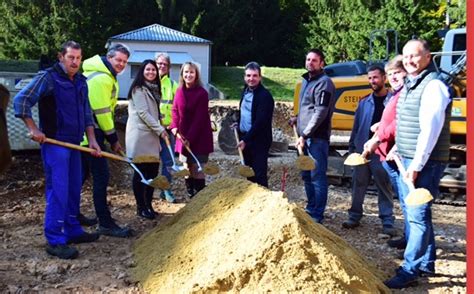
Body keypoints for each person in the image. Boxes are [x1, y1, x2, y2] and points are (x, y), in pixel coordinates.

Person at [13, 41, 101, 259]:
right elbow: (21, 100)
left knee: (73, 188)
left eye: (79, 58)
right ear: (61, 57)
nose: (75, 62)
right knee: (58, 190)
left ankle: (72, 229)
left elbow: (87, 112)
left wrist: (92, 140)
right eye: (71, 57)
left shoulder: (81, 81)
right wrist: (33, 128)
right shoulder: (48, 78)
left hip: (75, 143)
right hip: (55, 144)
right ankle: (54, 239)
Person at [384, 39, 451, 289]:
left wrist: (416, 165)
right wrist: (398, 147)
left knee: (417, 217)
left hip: (425, 161)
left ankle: (410, 269)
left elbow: (429, 130)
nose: (410, 60)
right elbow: (407, 124)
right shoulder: (413, 84)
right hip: (411, 156)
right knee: (420, 214)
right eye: (406, 56)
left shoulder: (433, 86)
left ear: (427, 57)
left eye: (415, 56)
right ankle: (426, 263)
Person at [80, 43, 132, 237]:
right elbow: (102, 114)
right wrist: (113, 139)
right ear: (109, 58)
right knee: (101, 176)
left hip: (85, 135)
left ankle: (73, 214)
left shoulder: (102, 74)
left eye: (124, 62)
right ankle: (105, 222)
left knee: (80, 176)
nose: (121, 64)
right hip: (90, 136)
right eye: (118, 60)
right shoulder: (102, 79)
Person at [341, 65, 396, 236]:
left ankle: (387, 221)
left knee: (384, 186)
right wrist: (352, 148)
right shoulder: (364, 102)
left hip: (382, 152)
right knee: (358, 184)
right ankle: (354, 216)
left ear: (384, 78)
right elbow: (356, 127)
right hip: (362, 151)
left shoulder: (393, 101)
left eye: (376, 77)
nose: (372, 81)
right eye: (370, 78)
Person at [363, 56, 408, 247]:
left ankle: (413, 245)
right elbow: (392, 120)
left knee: (407, 201)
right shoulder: (399, 94)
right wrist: (380, 127)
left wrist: (379, 137)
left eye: (397, 72)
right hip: (388, 151)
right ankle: (409, 239)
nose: (393, 77)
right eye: (391, 74)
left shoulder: (404, 94)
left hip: (397, 153)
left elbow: (401, 122)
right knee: (405, 200)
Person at [294, 48, 336, 224]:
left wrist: (305, 133)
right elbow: (307, 107)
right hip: (303, 137)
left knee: (316, 176)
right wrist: (296, 118)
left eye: (314, 60)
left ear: (322, 63)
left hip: (316, 138)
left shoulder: (324, 83)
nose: (310, 63)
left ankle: (317, 215)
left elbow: (320, 111)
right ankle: (311, 209)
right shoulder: (306, 81)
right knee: (306, 175)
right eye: (308, 59)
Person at [126, 60, 168, 220]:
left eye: (153, 70)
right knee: (141, 174)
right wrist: (160, 130)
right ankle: (141, 207)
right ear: (142, 71)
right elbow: (143, 113)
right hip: (141, 137)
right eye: (148, 69)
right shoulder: (138, 90)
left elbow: (152, 113)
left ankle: (148, 204)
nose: (151, 72)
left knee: (152, 172)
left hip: (152, 137)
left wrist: (160, 123)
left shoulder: (154, 90)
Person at [170, 62, 213, 197]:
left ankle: (199, 198)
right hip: (182, 136)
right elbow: (175, 110)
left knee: (198, 167)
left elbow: (199, 119)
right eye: (186, 72)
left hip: (199, 137)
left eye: (192, 72)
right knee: (187, 167)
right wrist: (174, 126)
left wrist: (189, 139)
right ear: (182, 74)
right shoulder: (179, 91)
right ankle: (191, 195)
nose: (189, 75)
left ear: (196, 75)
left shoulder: (202, 93)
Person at [234, 62, 274, 187]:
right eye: (248, 76)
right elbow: (245, 112)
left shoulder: (264, 96)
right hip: (246, 138)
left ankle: (262, 202)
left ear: (260, 77)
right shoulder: (245, 92)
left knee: (259, 175)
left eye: (255, 76)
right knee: (249, 175)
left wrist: (245, 139)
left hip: (259, 141)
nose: (251, 79)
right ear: (244, 77)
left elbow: (260, 122)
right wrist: (238, 123)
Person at [155, 52, 178, 203]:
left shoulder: (173, 85)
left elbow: (178, 108)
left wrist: (174, 125)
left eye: (165, 64)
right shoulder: (148, 83)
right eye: (159, 63)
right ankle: (149, 190)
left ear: (169, 67)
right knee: (150, 161)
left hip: (168, 130)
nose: (162, 66)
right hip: (151, 130)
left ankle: (166, 189)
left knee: (168, 162)